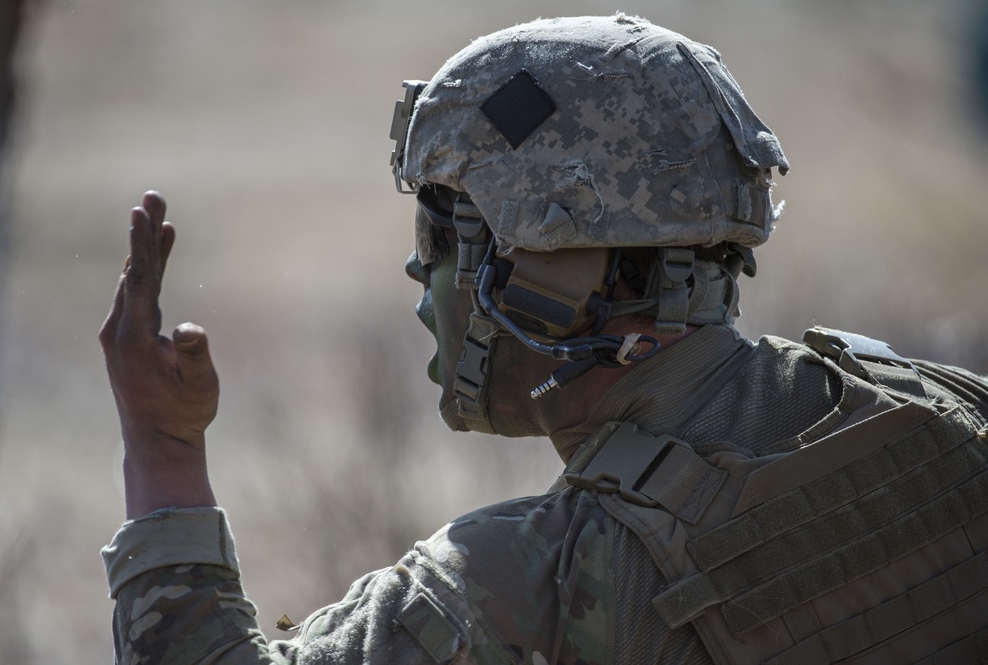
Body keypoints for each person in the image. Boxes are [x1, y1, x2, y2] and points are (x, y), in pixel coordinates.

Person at [99, 14, 988, 665]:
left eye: (445, 238)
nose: (422, 277)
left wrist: (164, 444)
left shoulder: (527, 583)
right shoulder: (948, 411)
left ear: (546, 276)